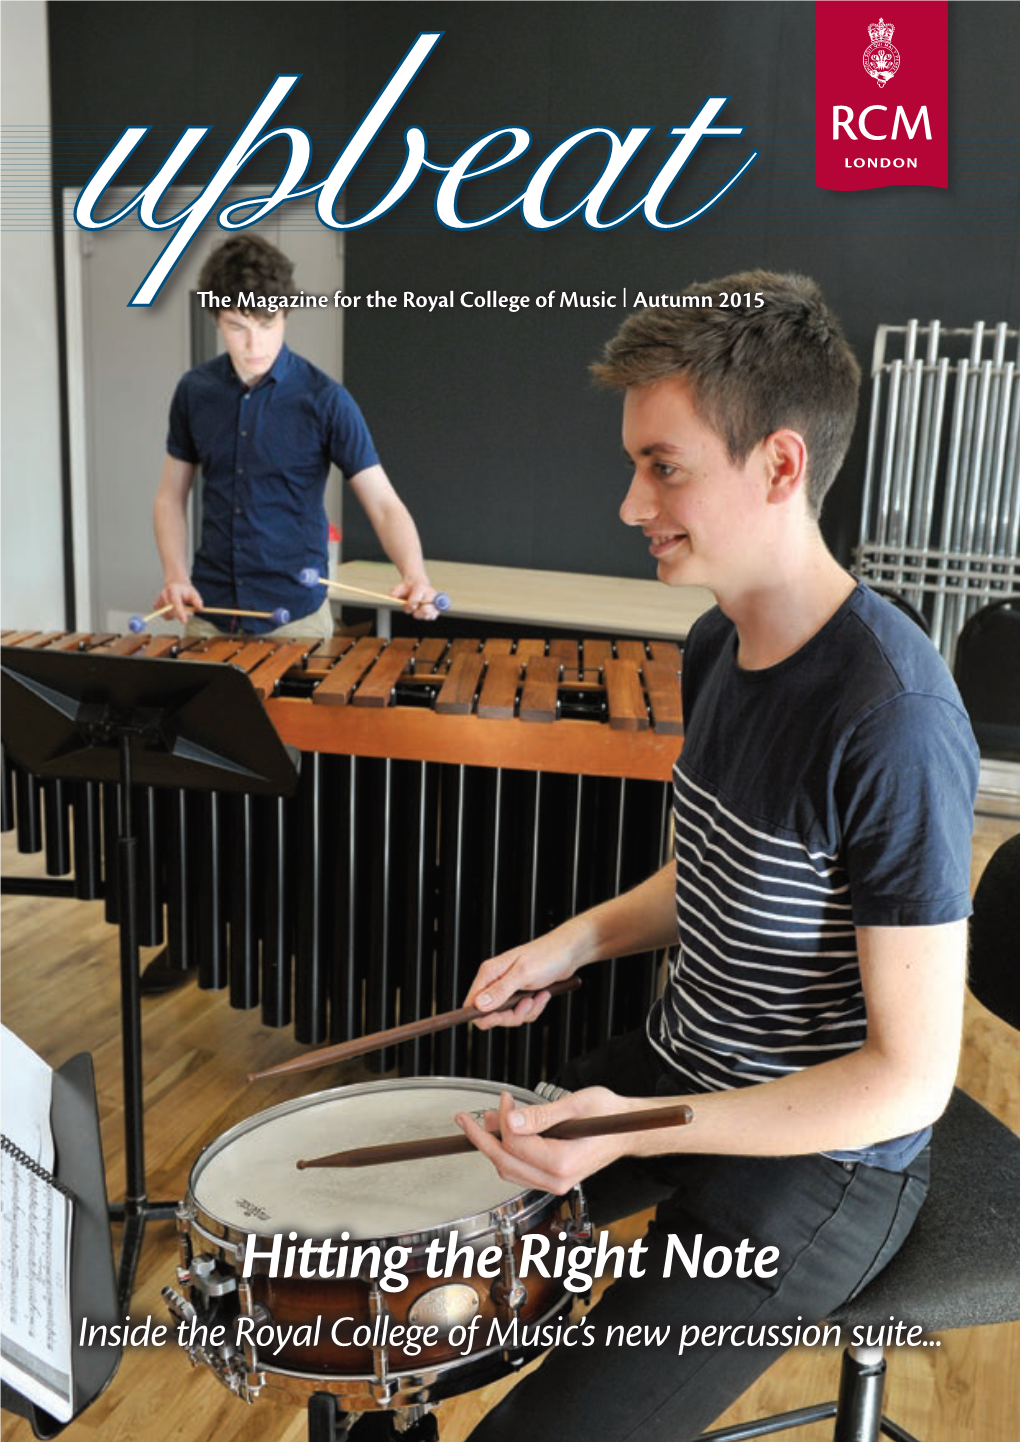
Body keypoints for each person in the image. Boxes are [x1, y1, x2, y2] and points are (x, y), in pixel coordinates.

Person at [454, 272, 980, 1440]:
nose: (632, 501)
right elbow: (720, 871)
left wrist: (630, 1127)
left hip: (825, 1160)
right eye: (638, 464)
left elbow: (908, 1077)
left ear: (780, 465)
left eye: (665, 464)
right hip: (683, 1059)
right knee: (418, 1241)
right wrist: (573, 941)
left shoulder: (890, 713)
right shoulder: (715, 645)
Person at [153, 234, 438, 640]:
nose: (255, 344)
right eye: (237, 326)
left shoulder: (325, 400)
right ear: (216, 318)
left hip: (296, 622)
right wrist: (175, 574)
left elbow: (383, 504)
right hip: (208, 613)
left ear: (285, 313)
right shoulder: (194, 391)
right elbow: (169, 497)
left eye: (267, 324)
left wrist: (415, 574)